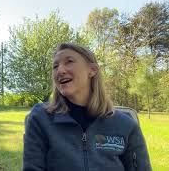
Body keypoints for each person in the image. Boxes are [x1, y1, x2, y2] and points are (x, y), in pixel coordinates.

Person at [23, 43, 151, 171]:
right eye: (55, 66)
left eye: (69, 61)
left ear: (92, 70)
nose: (60, 70)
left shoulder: (125, 124)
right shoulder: (41, 118)